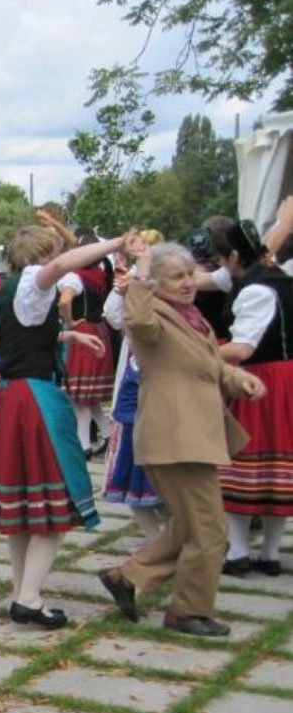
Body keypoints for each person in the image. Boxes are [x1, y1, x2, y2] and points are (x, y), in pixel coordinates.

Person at [97, 242, 263, 636]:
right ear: (155, 283)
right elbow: (135, 321)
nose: (189, 282)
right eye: (177, 276)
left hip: (195, 433)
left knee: (193, 525)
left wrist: (239, 379)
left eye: (190, 274)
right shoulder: (151, 314)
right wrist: (139, 270)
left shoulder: (191, 317)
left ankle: (126, 576)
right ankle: (187, 611)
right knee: (209, 530)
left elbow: (207, 364)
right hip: (173, 435)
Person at [0, 226, 126, 629]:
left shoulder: (14, 292)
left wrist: (70, 335)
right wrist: (116, 244)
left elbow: (26, 333)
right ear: (43, 257)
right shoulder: (33, 282)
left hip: (9, 400)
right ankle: (28, 597)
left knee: (24, 508)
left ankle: (22, 592)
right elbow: (57, 266)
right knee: (53, 504)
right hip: (33, 402)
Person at [216, 219, 293, 577]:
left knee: (242, 463)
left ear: (234, 256)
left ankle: (239, 550)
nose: (221, 268)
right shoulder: (278, 275)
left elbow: (244, 348)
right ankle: (271, 553)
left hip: (259, 382)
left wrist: (199, 353)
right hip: (286, 377)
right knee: (279, 467)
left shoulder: (255, 290)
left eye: (223, 260)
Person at [101, 248, 165, 538]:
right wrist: (121, 288)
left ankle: (168, 537)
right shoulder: (132, 295)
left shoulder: (166, 301)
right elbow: (114, 315)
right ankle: (159, 539)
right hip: (136, 377)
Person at [57, 237, 116, 456]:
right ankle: (109, 434)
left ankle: (84, 446)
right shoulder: (100, 273)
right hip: (99, 329)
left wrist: (69, 321)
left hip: (83, 333)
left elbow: (64, 301)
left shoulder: (75, 277)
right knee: (88, 396)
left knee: (78, 395)